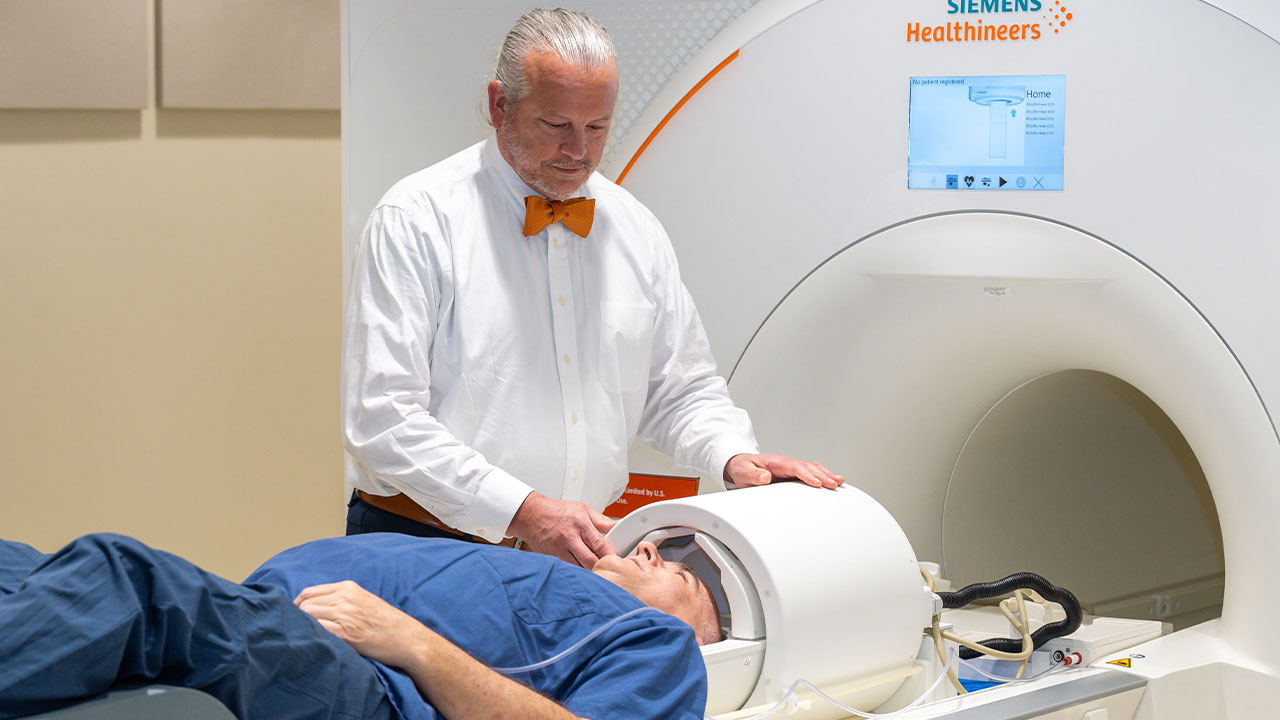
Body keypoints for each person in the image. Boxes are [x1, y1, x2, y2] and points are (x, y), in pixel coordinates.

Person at [342, 8, 843, 568]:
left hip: (575, 557)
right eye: (556, 125)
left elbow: (680, 389)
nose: (578, 150)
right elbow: (382, 418)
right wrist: (524, 510)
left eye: (597, 127)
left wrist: (733, 456)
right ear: (499, 104)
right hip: (424, 547)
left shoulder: (635, 229)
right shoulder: (416, 219)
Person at [0, 532, 716, 720]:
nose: (650, 548)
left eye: (678, 578)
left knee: (131, 581)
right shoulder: (546, 569)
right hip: (279, 618)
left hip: (372, 690)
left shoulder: (662, 645)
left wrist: (410, 641)